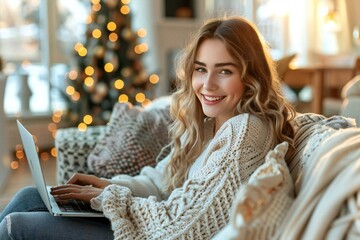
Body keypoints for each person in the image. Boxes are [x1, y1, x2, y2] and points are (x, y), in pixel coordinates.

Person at [0, 15, 296, 239]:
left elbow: (186, 224)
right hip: (149, 220)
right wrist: (107, 185)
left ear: (251, 77)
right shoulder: (211, 125)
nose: (207, 85)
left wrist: (108, 199)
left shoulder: (246, 130)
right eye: (201, 69)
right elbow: (160, 182)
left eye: (225, 71)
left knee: (17, 227)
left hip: (155, 232)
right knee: (29, 196)